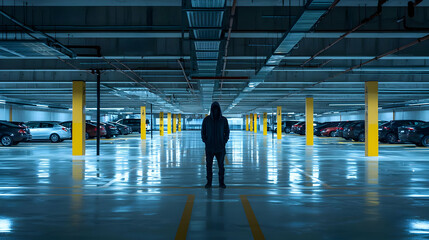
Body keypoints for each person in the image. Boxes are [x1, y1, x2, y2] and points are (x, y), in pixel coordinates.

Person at [201, 102, 230, 189]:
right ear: (212, 109)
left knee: (221, 166)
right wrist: (205, 141)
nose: (215, 111)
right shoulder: (207, 120)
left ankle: (221, 183)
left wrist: (224, 141)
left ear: (219, 109)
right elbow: (203, 131)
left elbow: (227, 131)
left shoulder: (223, 120)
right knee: (208, 166)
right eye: (214, 109)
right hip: (209, 147)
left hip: (220, 148)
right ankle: (209, 182)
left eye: (217, 109)